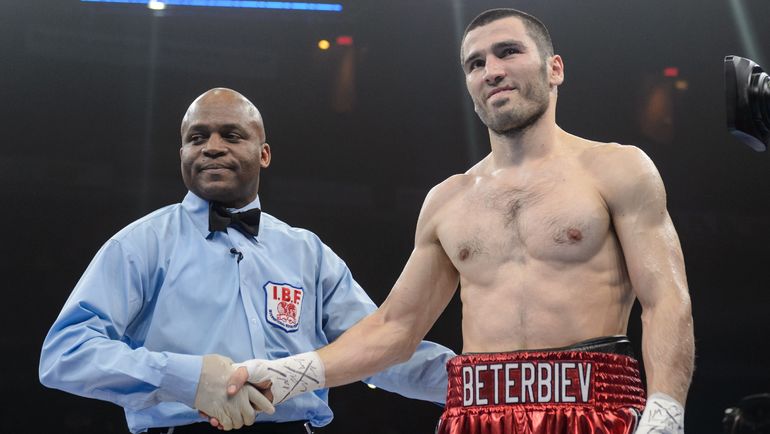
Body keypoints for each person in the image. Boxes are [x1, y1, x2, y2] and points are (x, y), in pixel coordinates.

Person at [226, 9, 695, 434]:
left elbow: (666, 301)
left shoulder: (617, 169)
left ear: (555, 69)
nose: (492, 71)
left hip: (593, 405)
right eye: (475, 63)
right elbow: (394, 329)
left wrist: (666, 410)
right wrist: (286, 375)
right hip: (476, 416)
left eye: (508, 52)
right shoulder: (447, 200)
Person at [39, 88, 455, 434]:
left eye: (231, 135)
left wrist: (482, 379)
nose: (212, 147)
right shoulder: (140, 244)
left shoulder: (306, 252)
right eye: (197, 137)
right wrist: (189, 379)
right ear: (182, 152)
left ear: (264, 153)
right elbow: (66, 353)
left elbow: (380, 349)